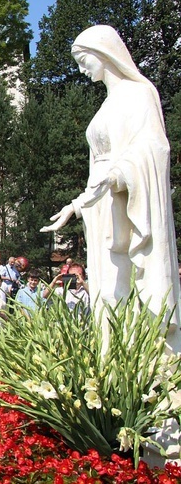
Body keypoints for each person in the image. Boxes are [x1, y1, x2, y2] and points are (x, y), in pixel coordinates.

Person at [41, 25, 181, 338]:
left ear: (104, 54)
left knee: (126, 284)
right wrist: (77, 205)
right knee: (106, 289)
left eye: (83, 59)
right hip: (102, 205)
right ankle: (112, 365)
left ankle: (141, 364)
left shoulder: (138, 93)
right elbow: (99, 168)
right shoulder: (107, 104)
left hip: (128, 200)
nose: (81, 68)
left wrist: (118, 175)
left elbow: (154, 148)